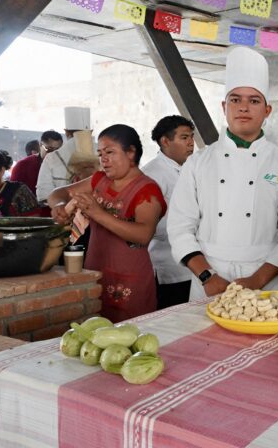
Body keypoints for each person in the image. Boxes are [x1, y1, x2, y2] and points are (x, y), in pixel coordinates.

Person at [168, 46, 278, 298]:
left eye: (253, 101)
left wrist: (256, 280)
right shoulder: (197, 163)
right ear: (224, 106)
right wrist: (208, 276)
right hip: (206, 281)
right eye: (235, 100)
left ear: (267, 110)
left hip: (265, 282)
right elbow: (179, 228)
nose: (243, 108)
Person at [48, 125, 165, 322]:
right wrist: (60, 206)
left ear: (131, 153)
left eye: (110, 152)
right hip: (95, 269)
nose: (103, 159)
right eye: (100, 153)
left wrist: (97, 212)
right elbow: (57, 194)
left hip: (129, 277)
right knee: (91, 330)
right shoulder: (99, 181)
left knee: (127, 336)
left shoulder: (147, 190)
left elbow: (143, 234)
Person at [142, 115, 196, 309]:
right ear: (165, 141)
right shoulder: (152, 174)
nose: (191, 143)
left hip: (194, 260)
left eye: (191, 137)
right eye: (184, 138)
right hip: (170, 262)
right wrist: (190, 226)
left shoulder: (189, 168)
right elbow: (150, 224)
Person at [37, 107, 92, 202]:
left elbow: (44, 195)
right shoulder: (104, 152)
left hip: (64, 212)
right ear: (90, 132)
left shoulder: (51, 158)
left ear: (66, 132)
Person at [11, 130, 63, 199]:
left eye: (58, 151)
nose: (54, 154)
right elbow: (12, 193)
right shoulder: (23, 165)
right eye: (50, 150)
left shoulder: (64, 165)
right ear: (40, 145)